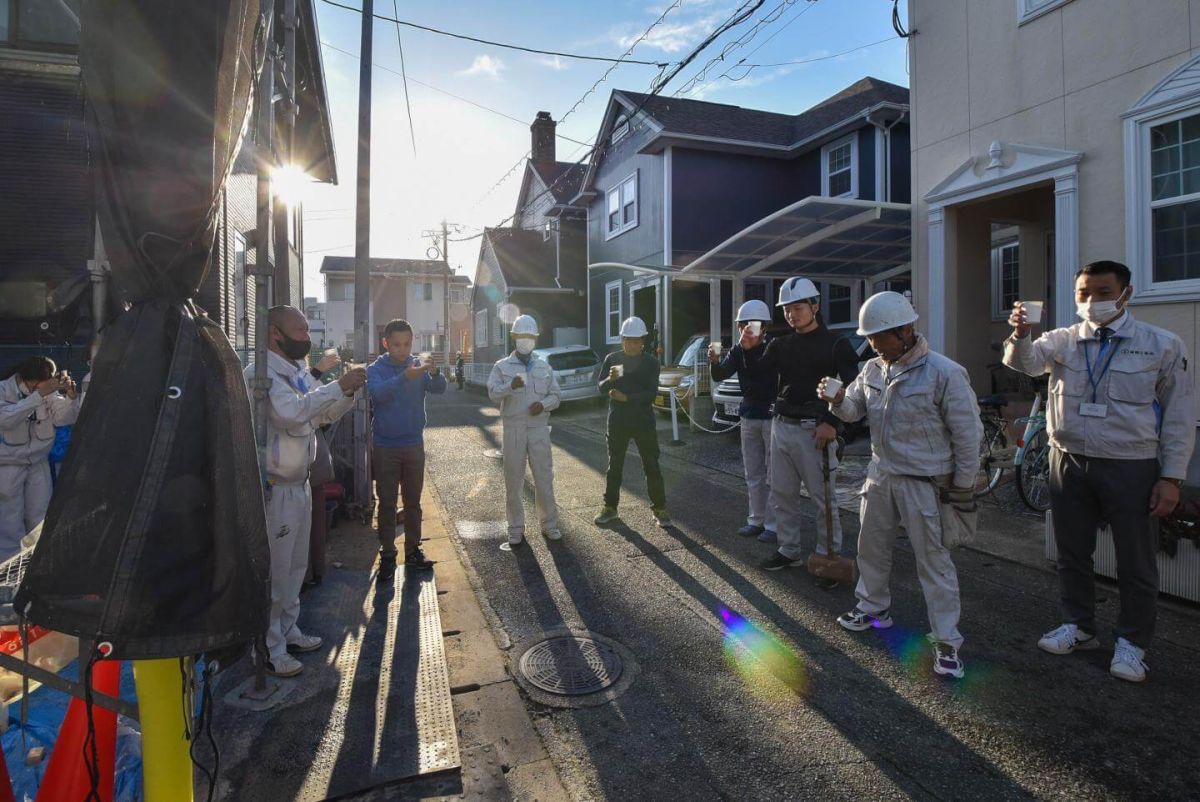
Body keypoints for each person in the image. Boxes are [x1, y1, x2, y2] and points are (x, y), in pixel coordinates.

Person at [1003, 260, 1194, 683]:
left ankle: (1132, 644)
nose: (1092, 302)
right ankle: (1079, 626)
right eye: (1083, 294)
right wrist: (1020, 334)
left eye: (1103, 293)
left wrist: (1171, 478)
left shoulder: (1160, 344)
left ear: (1126, 294)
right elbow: (1026, 364)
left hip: (1131, 463)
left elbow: (1180, 415)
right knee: (1072, 552)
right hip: (1067, 458)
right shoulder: (1063, 340)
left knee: (1136, 560)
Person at [821, 291, 982, 679]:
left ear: (906, 330)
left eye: (880, 338)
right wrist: (838, 399)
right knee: (870, 548)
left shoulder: (945, 373)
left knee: (934, 560)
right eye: (870, 339)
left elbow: (967, 435)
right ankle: (872, 606)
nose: (873, 345)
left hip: (927, 481)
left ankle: (947, 639)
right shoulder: (875, 369)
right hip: (881, 473)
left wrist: (962, 487)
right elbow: (854, 411)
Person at [245, 306, 364, 677]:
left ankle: (288, 629)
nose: (306, 337)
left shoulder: (296, 371)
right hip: (273, 487)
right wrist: (335, 387)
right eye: (299, 329)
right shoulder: (260, 375)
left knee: (295, 565)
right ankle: (269, 645)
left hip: (300, 483)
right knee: (277, 570)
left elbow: (321, 413)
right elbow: (290, 414)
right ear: (274, 334)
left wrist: (346, 394)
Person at [739, 277, 859, 575]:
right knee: (782, 493)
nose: (792, 314)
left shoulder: (837, 344)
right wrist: (750, 349)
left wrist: (832, 422)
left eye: (798, 307)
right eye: (787, 309)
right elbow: (758, 376)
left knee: (823, 499)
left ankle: (827, 556)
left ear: (815, 307)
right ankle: (789, 549)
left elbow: (853, 388)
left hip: (816, 430)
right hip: (782, 424)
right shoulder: (780, 344)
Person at [368, 319, 447, 575]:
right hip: (385, 446)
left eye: (406, 344)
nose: (402, 350)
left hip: (414, 443)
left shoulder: (417, 364)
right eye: (396, 344)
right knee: (387, 503)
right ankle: (388, 554)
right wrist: (405, 377)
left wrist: (434, 373)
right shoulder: (376, 368)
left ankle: (413, 550)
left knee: (413, 502)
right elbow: (377, 394)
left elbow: (439, 389)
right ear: (386, 343)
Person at [487, 315, 562, 546]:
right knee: (513, 480)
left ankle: (549, 525)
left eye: (530, 337)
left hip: (539, 428)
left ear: (535, 339)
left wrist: (544, 405)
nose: (526, 340)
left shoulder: (543, 366)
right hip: (514, 429)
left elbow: (556, 395)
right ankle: (516, 528)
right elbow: (492, 393)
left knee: (544, 478)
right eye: (522, 336)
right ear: (514, 337)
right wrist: (510, 386)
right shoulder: (502, 367)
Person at [709, 299, 779, 543]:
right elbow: (721, 374)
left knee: (773, 473)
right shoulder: (739, 349)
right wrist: (715, 361)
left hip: (770, 414)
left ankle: (773, 524)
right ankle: (755, 520)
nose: (746, 330)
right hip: (748, 413)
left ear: (764, 326)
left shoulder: (772, 347)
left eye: (752, 325)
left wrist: (748, 350)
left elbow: (762, 375)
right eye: (742, 325)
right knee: (753, 471)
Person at [0, 357, 79, 561]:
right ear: (31, 380)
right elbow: (6, 420)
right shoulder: (3, 390)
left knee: (39, 518)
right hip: (7, 465)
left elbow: (64, 418)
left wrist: (71, 398)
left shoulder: (48, 392)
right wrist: (38, 396)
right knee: (9, 522)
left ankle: (36, 567)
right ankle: (7, 576)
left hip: (37, 462)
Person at [594, 317, 669, 527]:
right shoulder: (612, 358)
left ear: (642, 341)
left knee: (651, 464)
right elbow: (600, 387)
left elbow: (651, 394)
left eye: (636, 341)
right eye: (628, 340)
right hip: (618, 421)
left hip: (643, 421)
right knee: (614, 465)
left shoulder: (651, 363)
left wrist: (626, 398)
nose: (632, 345)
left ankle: (660, 508)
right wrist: (610, 379)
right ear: (622, 339)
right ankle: (610, 508)